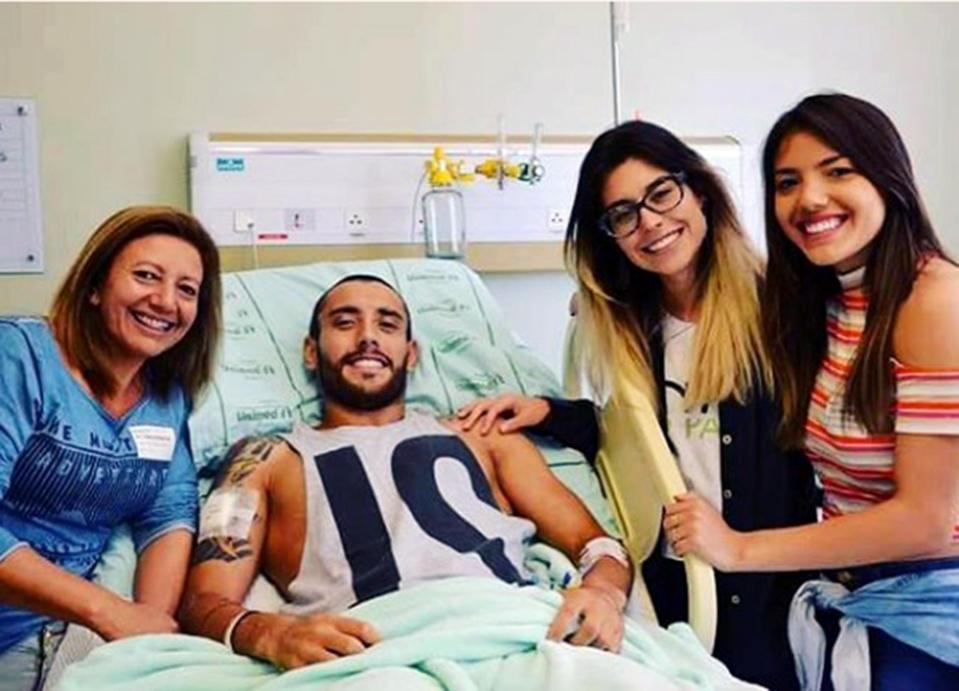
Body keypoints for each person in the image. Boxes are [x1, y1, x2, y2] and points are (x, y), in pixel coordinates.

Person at [457, 120, 817, 690]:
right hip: (679, 587)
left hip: (763, 591)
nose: (649, 222)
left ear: (698, 191)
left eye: (661, 194)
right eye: (624, 215)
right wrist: (551, 413)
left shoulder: (782, 313)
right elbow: (644, 435)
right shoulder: (637, 327)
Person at [177, 275, 633, 671]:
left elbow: (598, 546)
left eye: (387, 324)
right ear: (311, 353)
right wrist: (272, 635)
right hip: (368, 654)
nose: (367, 337)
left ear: (411, 354)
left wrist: (602, 596)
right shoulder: (261, 460)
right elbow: (203, 604)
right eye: (344, 322)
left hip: (519, 635)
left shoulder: (486, 437)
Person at [664, 92, 959, 689]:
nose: (810, 199)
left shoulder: (933, 302)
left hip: (932, 602)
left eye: (838, 171)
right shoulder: (827, 297)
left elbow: (926, 522)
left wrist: (738, 549)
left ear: (888, 178)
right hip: (858, 591)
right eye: (787, 182)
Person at [0, 205, 221, 689]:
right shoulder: (19, 357)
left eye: (187, 290)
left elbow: (167, 515)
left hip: (67, 634)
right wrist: (108, 612)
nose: (166, 301)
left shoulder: (166, 399)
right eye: (146, 276)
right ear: (95, 287)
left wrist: (144, 635)